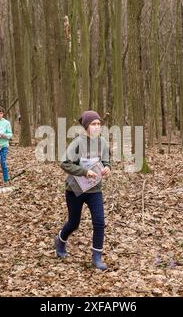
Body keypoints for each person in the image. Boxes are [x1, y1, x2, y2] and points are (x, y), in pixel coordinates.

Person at [55, 110, 111, 270]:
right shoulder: (77, 143)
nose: (97, 127)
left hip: (95, 189)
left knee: (99, 222)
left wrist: (107, 168)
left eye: (99, 124)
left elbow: (107, 161)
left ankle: (97, 258)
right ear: (86, 126)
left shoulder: (103, 143)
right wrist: (84, 171)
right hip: (75, 189)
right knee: (74, 223)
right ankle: (60, 240)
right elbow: (64, 163)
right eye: (93, 124)